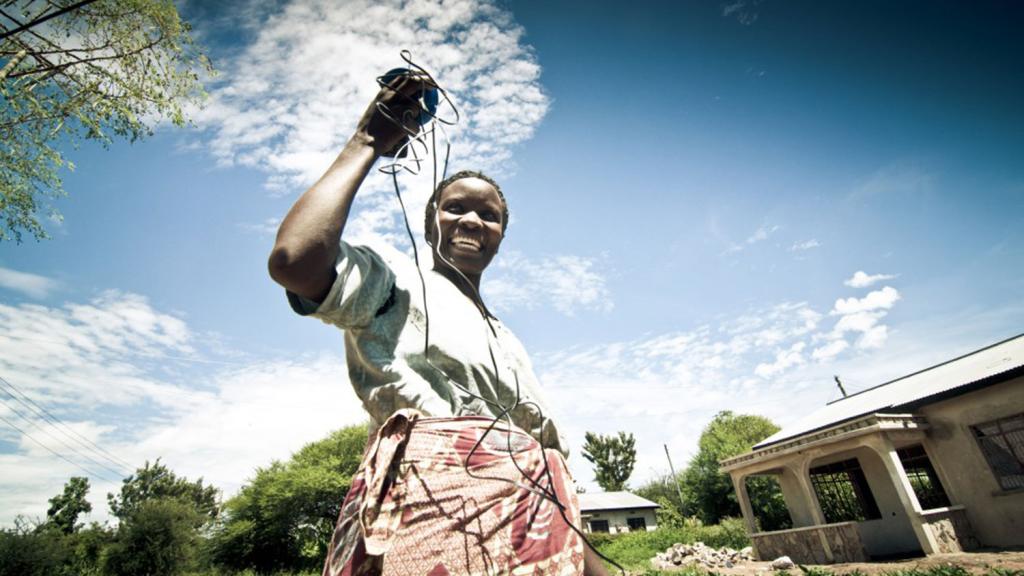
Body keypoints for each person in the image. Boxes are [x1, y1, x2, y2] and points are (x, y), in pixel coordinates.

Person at [269, 74, 610, 576]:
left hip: (531, 528)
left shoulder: (507, 338)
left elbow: (549, 473)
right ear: (430, 225)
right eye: (455, 208)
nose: (473, 221)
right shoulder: (396, 281)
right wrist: (369, 140)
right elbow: (294, 260)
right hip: (429, 509)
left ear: (500, 237)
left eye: (489, 216)